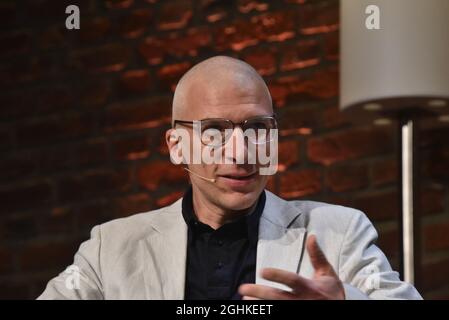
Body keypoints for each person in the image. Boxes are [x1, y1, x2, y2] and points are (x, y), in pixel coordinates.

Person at [38, 56, 421, 300]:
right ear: (176, 146)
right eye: (216, 131)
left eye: (257, 127)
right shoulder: (111, 249)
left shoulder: (339, 233)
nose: (241, 151)